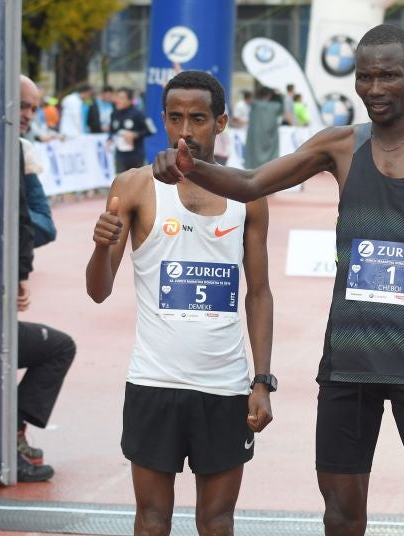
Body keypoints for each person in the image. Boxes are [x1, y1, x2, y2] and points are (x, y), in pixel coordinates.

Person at [153, 24, 404, 536]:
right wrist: (188, 166)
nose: (375, 89)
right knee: (340, 516)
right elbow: (249, 183)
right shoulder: (339, 146)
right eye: (365, 77)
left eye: (389, 76)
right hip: (347, 362)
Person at [86, 70, 274, 536]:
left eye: (198, 118)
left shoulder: (247, 194)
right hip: (154, 381)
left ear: (222, 121)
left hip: (226, 386)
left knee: (216, 522)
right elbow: (98, 289)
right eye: (175, 118)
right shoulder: (132, 186)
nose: (185, 131)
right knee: (152, 522)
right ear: (163, 120)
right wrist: (99, 246)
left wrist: (262, 381)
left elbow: (259, 293)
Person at [17, 76, 77, 483]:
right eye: (21, 105)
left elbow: (41, 223)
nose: (27, 115)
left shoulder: (21, 151)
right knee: (59, 347)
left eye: (34, 108)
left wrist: (13, 242)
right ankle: (8, 434)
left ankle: (12, 433)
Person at [110, 87, 156, 174]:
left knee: (137, 185)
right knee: (120, 183)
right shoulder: (114, 114)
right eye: (117, 97)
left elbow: (152, 130)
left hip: (136, 156)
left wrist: (135, 134)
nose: (118, 100)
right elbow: (112, 131)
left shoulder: (139, 114)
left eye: (122, 98)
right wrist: (109, 139)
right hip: (120, 156)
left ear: (130, 100)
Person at [243, 86, 282, 170]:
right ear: (269, 95)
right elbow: (281, 104)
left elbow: (248, 96)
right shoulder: (275, 106)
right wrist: (277, 94)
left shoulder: (255, 105)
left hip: (256, 140)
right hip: (270, 143)